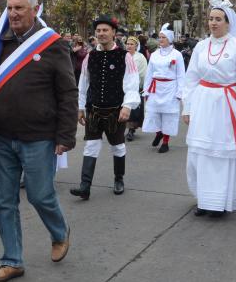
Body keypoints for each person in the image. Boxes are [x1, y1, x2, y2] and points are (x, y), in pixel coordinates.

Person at [0, 0, 75, 282]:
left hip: (39, 137)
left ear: (34, 10)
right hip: (2, 137)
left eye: (19, 8)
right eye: (10, 8)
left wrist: (65, 136)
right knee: (5, 203)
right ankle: (12, 260)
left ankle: (60, 232)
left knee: (40, 196)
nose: (13, 14)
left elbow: (67, 93)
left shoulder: (52, 44)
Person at [182, 0, 236, 218]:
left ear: (228, 22)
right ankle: (204, 200)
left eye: (218, 19)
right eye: (211, 18)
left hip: (227, 105)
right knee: (202, 153)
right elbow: (191, 78)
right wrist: (187, 107)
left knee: (222, 154)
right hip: (203, 103)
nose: (213, 23)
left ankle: (220, 202)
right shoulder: (202, 46)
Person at [70, 14, 140, 200]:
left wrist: (127, 106)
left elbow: (132, 83)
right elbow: (83, 84)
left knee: (117, 147)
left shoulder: (125, 57)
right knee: (90, 147)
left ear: (114, 33)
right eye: (98, 31)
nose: (101, 34)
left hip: (116, 110)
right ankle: (85, 186)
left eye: (105, 30)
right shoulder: (89, 57)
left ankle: (119, 179)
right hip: (94, 109)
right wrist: (80, 108)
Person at [142, 23, 185, 153]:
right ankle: (158, 132)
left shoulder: (177, 54)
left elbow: (181, 75)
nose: (160, 39)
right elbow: (149, 73)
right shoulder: (154, 54)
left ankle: (165, 141)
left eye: (163, 37)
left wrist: (180, 92)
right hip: (156, 88)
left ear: (170, 39)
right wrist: (146, 90)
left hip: (170, 88)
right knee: (153, 113)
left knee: (168, 115)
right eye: (159, 37)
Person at [125, 36, 147, 142]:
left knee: (134, 108)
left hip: (136, 86)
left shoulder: (140, 57)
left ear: (136, 46)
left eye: (131, 44)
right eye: (127, 44)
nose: (129, 46)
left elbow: (143, 73)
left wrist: (141, 85)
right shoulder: (123, 56)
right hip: (123, 86)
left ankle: (131, 130)